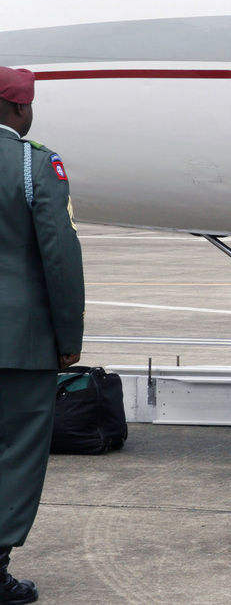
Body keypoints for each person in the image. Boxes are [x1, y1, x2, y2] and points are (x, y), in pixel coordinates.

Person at [0, 66, 85, 604]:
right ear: (17, 110)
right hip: (21, 340)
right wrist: (68, 336)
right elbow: (59, 255)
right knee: (17, 453)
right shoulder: (35, 165)